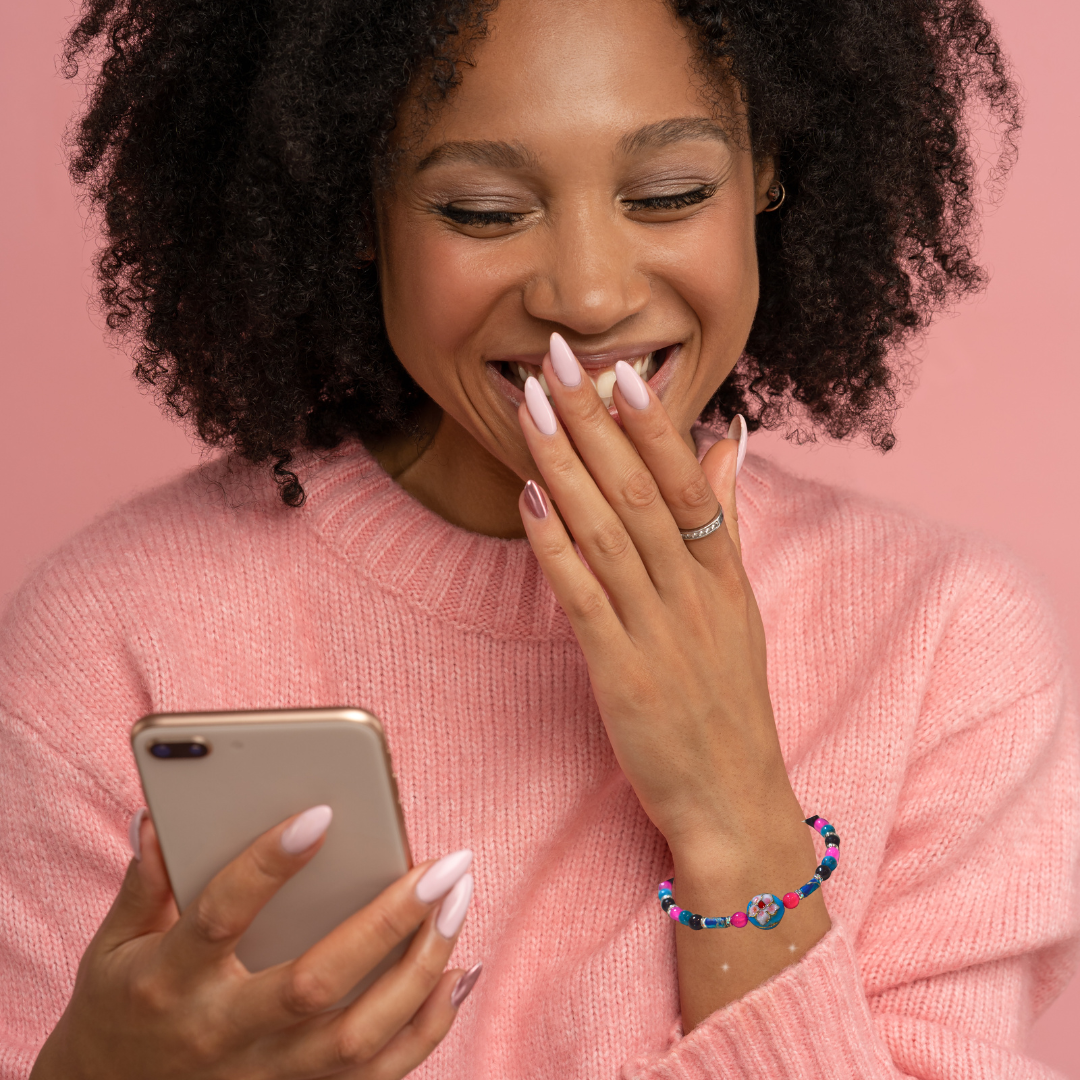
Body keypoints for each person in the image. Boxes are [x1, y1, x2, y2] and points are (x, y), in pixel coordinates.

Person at [1, 0, 1076, 1076]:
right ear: (362, 209)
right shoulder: (113, 632)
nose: (589, 294)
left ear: (768, 173)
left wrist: (731, 805)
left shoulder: (948, 646)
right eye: (482, 209)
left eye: (670, 194)